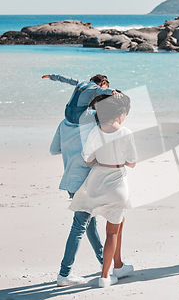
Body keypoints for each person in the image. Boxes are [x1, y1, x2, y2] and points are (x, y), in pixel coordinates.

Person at [70, 94, 137, 288]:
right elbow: (132, 162)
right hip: (117, 185)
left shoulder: (95, 131)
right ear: (119, 114)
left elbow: (87, 159)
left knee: (102, 223)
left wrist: (101, 157)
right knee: (112, 232)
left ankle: (118, 266)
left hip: (97, 184)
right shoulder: (125, 132)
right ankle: (105, 276)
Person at [50, 108, 104, 286]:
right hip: (86, 181)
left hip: (70, 180)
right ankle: (64, 273)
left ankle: (105, 261)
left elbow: (54, 149)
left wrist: (71, 149)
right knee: (80, 224)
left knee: (89, 222)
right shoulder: (93, 123)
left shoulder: (63, 123)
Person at [42, 73, 120, 124]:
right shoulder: (95, 88)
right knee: (104, 114)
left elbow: (66, 79)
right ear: (104, 83)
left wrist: (51, 76)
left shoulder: (81, 82)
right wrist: (113, 91)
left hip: (67, 114)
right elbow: (104, 90)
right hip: (78, 117)